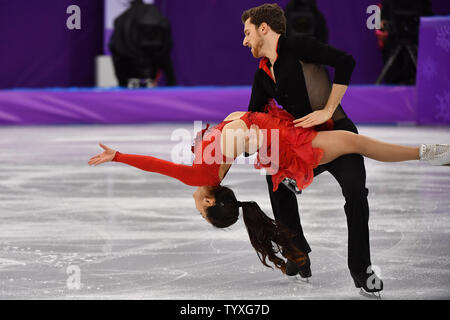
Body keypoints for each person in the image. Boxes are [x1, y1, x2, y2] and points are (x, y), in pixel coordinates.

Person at [88, 103, 450, 292]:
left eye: (202, 214)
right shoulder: (206, 173)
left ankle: (429, 154)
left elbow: (158, 164)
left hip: (279, 132)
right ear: (212, 201)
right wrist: (118, 156)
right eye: (203, 214)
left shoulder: (208, 171)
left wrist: (120, 156)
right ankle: (429, 154)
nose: (197, 209)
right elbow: (159, 164)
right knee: (356, 145)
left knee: (354, 146)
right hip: (284, 142)